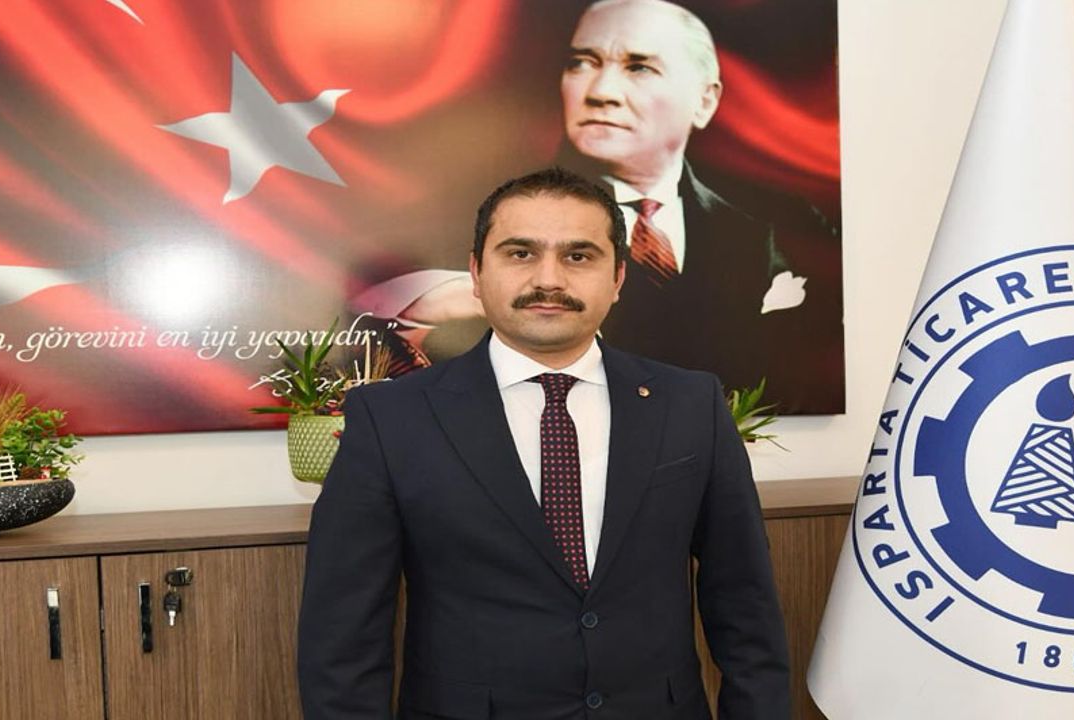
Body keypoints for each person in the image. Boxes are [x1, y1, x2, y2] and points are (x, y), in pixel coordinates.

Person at [299, 167, 791, 719]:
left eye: (578, 255)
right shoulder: (391, 418)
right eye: (521, 253)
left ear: (618, 277)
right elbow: (342, 640)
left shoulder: (692, 404)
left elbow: (745, 606)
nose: (549, 278)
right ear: (476, 273)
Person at [351, 0, 814, 396]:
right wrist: (418, 305)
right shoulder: (472, 216)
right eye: (582, 63)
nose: (601, 92)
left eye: (639, 67)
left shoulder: (770, 231)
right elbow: (360, 330)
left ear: (706, 100)